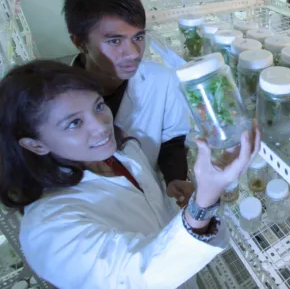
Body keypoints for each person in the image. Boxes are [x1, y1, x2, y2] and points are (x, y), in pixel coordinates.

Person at [0, 60, 260, 288]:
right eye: (74, 123)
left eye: (99, 106)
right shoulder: (47, 231)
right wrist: (203, 202)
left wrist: (195, 203)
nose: (102, 126)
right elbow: (138, 277)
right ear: (36, 144)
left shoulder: (121, 154)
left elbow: (158, 231)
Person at [63, 0, 193, 206]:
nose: (133, 52)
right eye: (115, 41)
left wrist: (175, 178)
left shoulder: (161, 80)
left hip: (154, 199)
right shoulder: (56, 105)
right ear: (80, 42)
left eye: (138, 37)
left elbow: (172, 138)